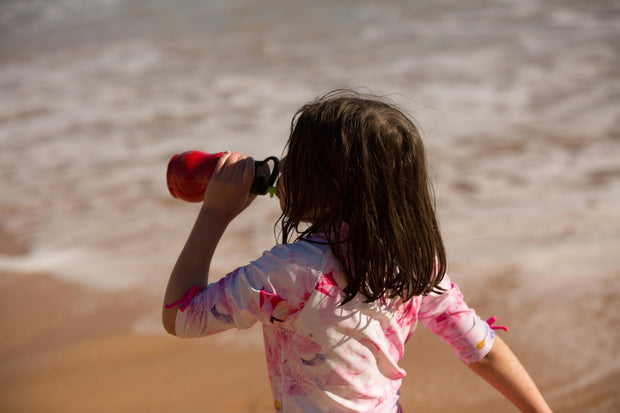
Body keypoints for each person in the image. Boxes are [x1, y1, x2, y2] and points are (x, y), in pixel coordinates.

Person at [162, 90, 553, 412]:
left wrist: (215, 213)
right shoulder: (414, 264)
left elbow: (181, 316)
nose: (282, 165)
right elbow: (483, 351)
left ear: (327, 184)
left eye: (295, 157)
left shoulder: (292, 272)